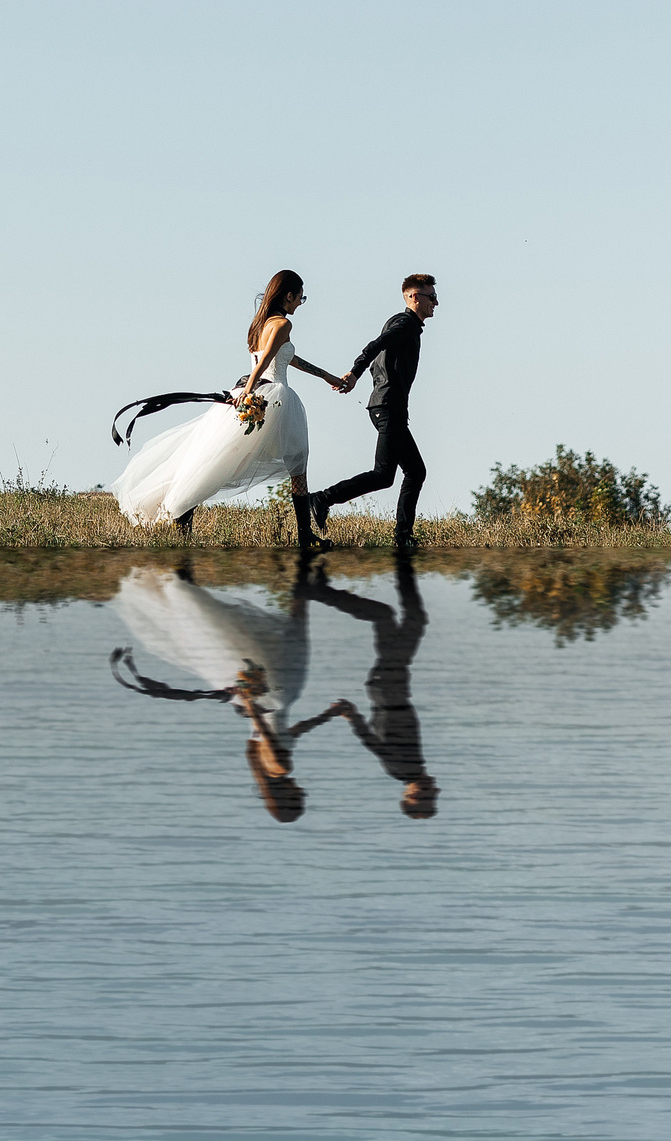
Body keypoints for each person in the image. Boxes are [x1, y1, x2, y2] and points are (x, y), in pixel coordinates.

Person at [111, 269, 346, 550]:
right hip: (272, 395)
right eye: (300, 298)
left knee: (221, 460)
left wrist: (327, 376)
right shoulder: (283, 324)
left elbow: (287, 357)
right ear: (288, 295)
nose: (300, 303)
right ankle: (305, 536)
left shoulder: (260, 324)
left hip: (253, 391)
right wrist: (247, 394)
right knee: (297, 464)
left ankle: (185, 513)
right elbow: (268, 361)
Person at [109, 565, 349, 822]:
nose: (303, 794)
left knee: (293, 635)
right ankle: (179, 586)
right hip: (256, 702)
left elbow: (269, 735)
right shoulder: (263, 768)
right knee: (220, 638)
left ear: (288, 797)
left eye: (299, 799)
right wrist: (329, 715)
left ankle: (304, 575)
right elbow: (294, 731)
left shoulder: (281, 768)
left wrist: (251, 704)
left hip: (275, 695)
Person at [307, 273, 436, 549]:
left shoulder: (402, 325)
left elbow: (381, 360)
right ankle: (322, 498)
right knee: (383, 474)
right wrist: (354, 373)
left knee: (415, 471)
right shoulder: (404, 324)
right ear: (415, 297)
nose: (436, 302)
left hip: (388, 405)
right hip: (388, 407)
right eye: (431, 297)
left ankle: (403, 535)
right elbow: (374, 347)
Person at [307, 559, 439, 817]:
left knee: (409, 619)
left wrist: (352, 717)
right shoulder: (411, 768)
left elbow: (372, 743)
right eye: (433, 795)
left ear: (409, 794)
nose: (433, 790)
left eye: (424, 796)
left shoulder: (402, 769)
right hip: (391, 688)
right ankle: (323, 588)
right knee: (391, 617)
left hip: (388, 689)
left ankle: (402, 563)